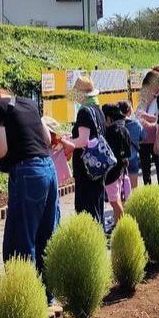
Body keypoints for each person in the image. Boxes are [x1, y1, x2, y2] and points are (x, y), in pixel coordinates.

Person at [0, 85, 59, 275]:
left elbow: (0, 150)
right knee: (45, 234)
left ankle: (25, 292)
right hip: (48, 169)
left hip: (28, 174)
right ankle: (47, 294)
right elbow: (46, 138)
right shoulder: (29, 103)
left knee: (22, 238)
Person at [64, 76, 108, 222]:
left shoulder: (84, 112)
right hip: (98, 167)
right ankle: (99, 239)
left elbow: (83, 141)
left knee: (86, 208)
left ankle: (91, 240)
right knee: (97, 205)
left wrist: (67, 141)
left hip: (86, 169)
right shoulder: (98, 110)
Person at [102, 103, 131, 225]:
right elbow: (127, 153)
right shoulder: (124, 130)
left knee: (114, 202)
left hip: (111, 174)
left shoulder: (107, 133)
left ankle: (122, 227)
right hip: (121, 170)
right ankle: (117, 224)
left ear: (108, 118)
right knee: (118, 198)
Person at [136, 66, 159, 185]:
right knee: (145, 170)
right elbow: (138, 112)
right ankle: (148, 190)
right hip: (144, 139)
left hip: (156, 138)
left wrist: (146, 116)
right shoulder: (145, 97)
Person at [119, 100, 143, 189]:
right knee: (133, 188)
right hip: (133, 158)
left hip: (120, 160)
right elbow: (143, 136)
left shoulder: (117, 125)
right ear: (129, 111)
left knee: (121, 190)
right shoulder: (136, 124)